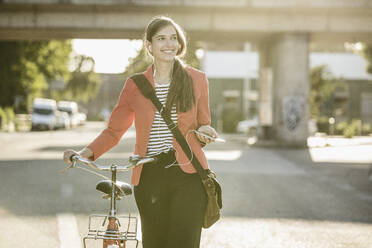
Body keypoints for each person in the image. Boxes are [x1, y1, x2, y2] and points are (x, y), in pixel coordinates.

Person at [63, 15, 218, 248]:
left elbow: (202, 126)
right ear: (149, 45)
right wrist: (85, 153)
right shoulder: (135, 85)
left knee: (184, 243)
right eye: (161, 39)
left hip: (189, 176)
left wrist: (206, 132)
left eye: (173, 38)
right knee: (154, 242)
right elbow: (114, 131)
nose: (169, 44)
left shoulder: (197, 79)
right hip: (149, 176)